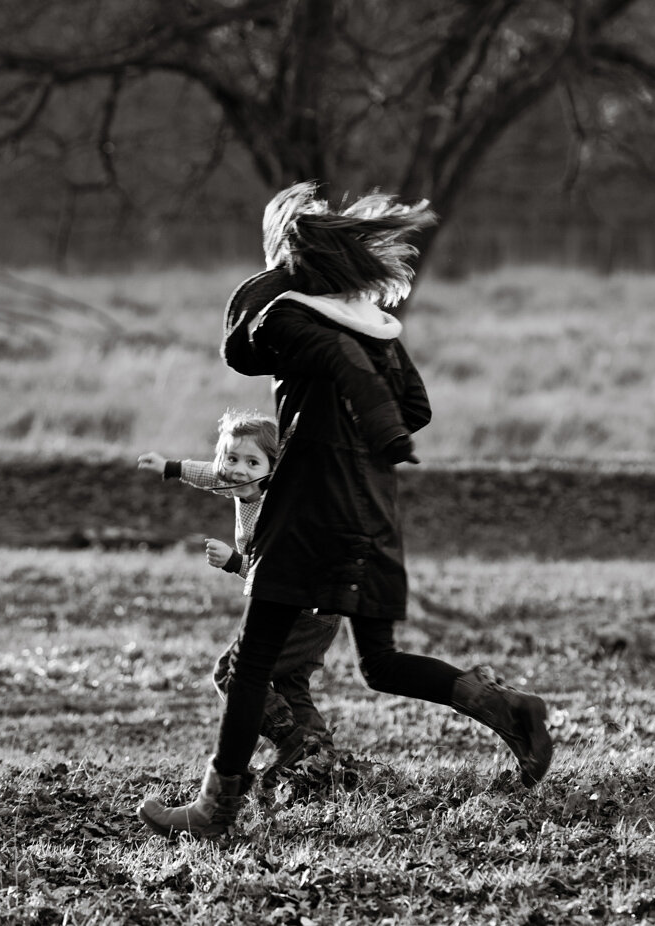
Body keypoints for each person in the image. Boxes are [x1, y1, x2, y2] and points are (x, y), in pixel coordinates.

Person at [137, 182, 552, 839]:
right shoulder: (373, 332)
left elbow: (236, 346)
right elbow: (416, 408)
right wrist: (368, 416)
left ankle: (215, 811)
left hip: (308, 512)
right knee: (379, 663)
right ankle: (511, 711)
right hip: (374, 513)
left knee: (250, 666)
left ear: (284, 255)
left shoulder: (289, 318)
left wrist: (277, 285)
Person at [136, 409, 343, 794]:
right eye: (231, 459)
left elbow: (279, 573)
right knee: (290, 685)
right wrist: (170, 467)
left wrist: (234, 562)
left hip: (306, 611)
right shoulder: (238, 482)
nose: (238, 470)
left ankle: (294, 744)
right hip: (312, 611)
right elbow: (209, 473)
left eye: (252, 462)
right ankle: (323, 765)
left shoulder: (275, 506)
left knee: (231, 674)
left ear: (273, 468)